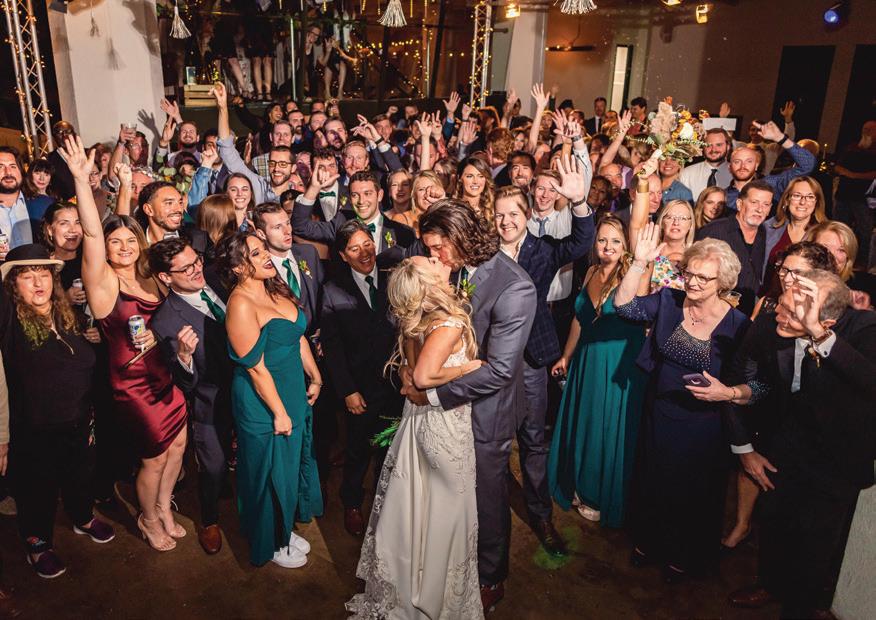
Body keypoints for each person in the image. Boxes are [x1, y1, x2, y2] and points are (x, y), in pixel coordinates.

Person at [401, 200, 537, 612]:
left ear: (460, 237)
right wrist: (411, 365)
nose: (434, 256)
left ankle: (491, 575)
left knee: (486, 496)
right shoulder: (454, 266)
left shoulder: (516, 287)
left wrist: (431, 393)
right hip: (444, 401)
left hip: (486, 412)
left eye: (438, 247)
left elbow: (500, 371)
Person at [59, 136, 188, 553]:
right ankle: (148, 518)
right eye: (115, 242)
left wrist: (128, 187)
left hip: (165, 373)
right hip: (133, 385)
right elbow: (94, 232)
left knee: (178, 446)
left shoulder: (148, 273)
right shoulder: (103, 283)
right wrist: (82, 180)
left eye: (130, 240)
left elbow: (126, 225)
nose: (124, 246)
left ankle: (164, 506)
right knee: (154, 457)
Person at [727, 272, 876, 618]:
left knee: (814, 551)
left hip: (836, 462)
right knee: (775, 524)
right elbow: (762, 384)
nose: (778, 315)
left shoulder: (864, 329)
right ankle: (769, 584)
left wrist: (819, 335)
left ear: (827, 322)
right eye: (782, 305)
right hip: (789, 447)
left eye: (791, 314)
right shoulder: (774, 325)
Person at [346, 255, 484, 619]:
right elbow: (422, 377)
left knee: (415, 506)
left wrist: (417, 378)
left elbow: (409, 375)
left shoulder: (412, 323)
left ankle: (409, 588)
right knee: (448, 514)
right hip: (445, 428)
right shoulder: (448, 322)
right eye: (432, 262)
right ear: (428, 281)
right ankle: (437, 599)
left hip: (416, 423)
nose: (440, 260)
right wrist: (467, 367)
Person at [614, 230, 750, 582]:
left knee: (690, 491)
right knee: (653, 480)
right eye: (689, 273)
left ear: (723, 283)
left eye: (704, 277)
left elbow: (759, 386)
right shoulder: (669, 301)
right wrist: (639, 262)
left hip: (703, 425)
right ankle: (648, 542)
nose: (693, 282)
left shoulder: (738, 326)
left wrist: (728, 393)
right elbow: (623, 307)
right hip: (660, 410)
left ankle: (682, 554)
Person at [492, 155, 594, 554]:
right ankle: (489, 514)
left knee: (534, 440)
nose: (506, 222)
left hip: (533, 359)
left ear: (526, 214)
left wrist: (579, 202)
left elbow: (581, 242)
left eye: (513, 214)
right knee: (493, 440)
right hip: (491, 362)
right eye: (499, 215)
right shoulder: (483, 253)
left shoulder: (543, 249)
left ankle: (541, 515)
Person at [1, 244, 114, 579]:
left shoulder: (67, 314)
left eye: (44, 274)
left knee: (81, 473)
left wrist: (94, 340)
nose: (39, 283)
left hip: (79, 418)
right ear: (12, 285)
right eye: (27, 276)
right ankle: (38, 543)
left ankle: (82, 517)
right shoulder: (9, 320)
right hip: (35, 426)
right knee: (38, 486)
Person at [217, 232, 323, 568]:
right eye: (255, 253)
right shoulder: (240, 304)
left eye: (264, 249)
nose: (266, 256)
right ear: (237, 267)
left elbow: (297, 335)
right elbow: (255, 368)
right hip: (262, 401)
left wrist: (315, 376)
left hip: (292, 389)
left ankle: (283, 527)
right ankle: (272, 542)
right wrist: (279, 412)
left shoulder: (274, 286)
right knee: (267, 472)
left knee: (288, 467)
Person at [548, 215, 648, 527]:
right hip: (587, 360)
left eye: (615, 241)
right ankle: (578, 484)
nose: (608, 246)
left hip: (618, 364)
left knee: (606, 428)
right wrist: (566, 355)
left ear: (626, 244)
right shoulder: (591, 271)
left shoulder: (635, 274)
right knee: (585, 422)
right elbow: (579, 319)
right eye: (602, 240)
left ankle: (599, 495)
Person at [320, 221, 404, 538]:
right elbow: (333, 348)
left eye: (367, 244)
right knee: (358, 450)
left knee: (392, 450)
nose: (364, 253)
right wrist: (348, 391)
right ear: (343, 255)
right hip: (361, 390)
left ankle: (389, 505)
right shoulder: (332, 290)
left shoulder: (394, 277)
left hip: (397, 386)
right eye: (354, 249)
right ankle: (352, 503)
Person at [149, 238, 233, 556]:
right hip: (211, 399)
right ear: (165, 277)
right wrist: (184, 356)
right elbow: (185, 383)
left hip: (251, 385)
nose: (196, 270)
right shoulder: (165, 320)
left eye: (196, 261)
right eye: (186, 269)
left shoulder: (217, 277)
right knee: (213, 466)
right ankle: (209, 520)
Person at [695, 180, 773, 315]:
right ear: (739, 204)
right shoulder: (713, 231)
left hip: (748, 314)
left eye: (765, 204)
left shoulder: (765, 234)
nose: (760, 209)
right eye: (754, 202)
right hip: (712, 313)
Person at [724, 120, 816, 211]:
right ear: (729, 167)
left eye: (749, 161)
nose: (743, 166)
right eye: (737, 162)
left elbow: (807, 165)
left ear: (756, 165)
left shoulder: (771, 184)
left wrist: (781, 138)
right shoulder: (722, 196)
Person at [760, 177, 827, 299]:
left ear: (816, 202)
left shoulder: (823, 234)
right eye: (797, 196)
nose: (803, 202)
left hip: (803, 301)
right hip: (766, 298)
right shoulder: (768, 228)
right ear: (787, 200)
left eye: (810, 197)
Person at [833, 120, 876, 267]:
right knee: (838, 227)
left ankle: (864, 260)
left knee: (865, 230)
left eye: (870, 129)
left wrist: (854, 175)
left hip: (862, 198)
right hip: (843, 195)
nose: (866, 131)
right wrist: (844, 172)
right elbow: (837, 166)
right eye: (865, 129)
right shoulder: (851, 147)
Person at [805, 220, 874, 308]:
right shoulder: (795, 283)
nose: (833, 256)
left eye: (841, 250)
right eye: (824, 248)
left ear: (848, 256)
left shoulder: (868, 286)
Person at [649, 200, 696, 293]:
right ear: (662, 222)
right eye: (670, 217)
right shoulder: (649, 251)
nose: (676, 222)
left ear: (690, 225)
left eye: (683, 218)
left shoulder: (696, 257)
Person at [678, 129, 732, 201]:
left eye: (719, 145)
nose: (713, 150)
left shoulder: (735, 174)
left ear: (728, 146)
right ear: (703, 147)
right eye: (708, 145)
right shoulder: (687, 174)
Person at [0, 147, 33, 257]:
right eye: (0, 167)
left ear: (21, 171)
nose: (8, 172)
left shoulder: (40, 205)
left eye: (13, 166)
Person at [455, 157, 496, 222]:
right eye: (469, 176)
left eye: (480, 176)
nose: (475, 181)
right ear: (460, 178)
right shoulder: (453, 210)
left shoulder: (494, 209)